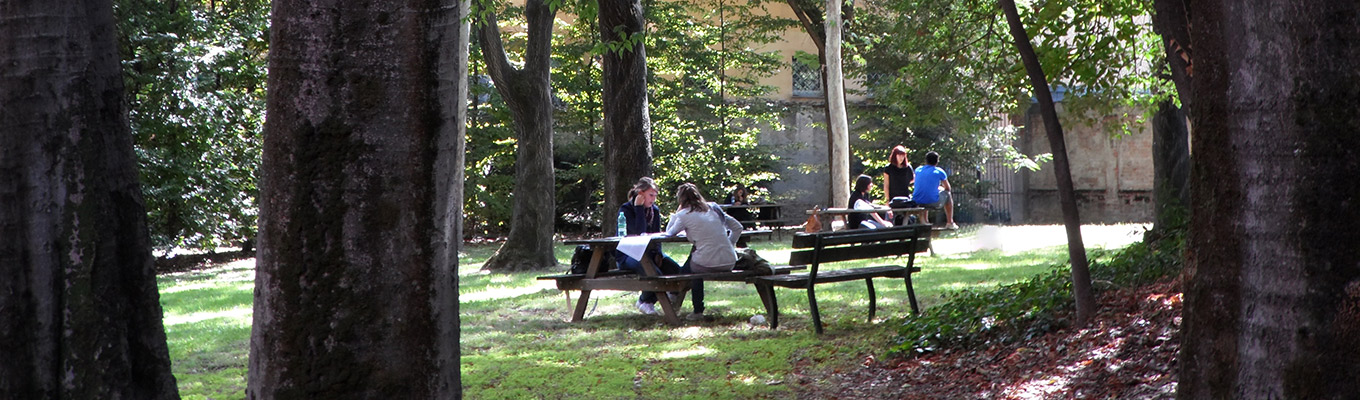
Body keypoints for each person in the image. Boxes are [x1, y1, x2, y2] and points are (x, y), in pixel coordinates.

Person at [665, 183, 743, 320]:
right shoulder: (713, 208)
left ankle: (695, 308)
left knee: (696, 268)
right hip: (730, 260)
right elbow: (738, 227)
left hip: (707, 262)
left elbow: (669, 232)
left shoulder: (684, 214)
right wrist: (730, 244)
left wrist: (676, 214)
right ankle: (674, 293)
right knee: (696, 254)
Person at [616, 177, 682, 315]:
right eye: (650, 195)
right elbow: (639, 233)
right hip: (629, 254)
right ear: (640, 193)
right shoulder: (626, 209)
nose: (653, 199)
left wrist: (658, 253)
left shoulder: (654, 211)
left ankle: (667, 300)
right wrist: (639, 208)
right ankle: (645, 301)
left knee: (677, 271)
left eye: (655, 196)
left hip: (650, 252)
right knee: (654, 274)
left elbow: (657, 236)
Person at [912, 151, 959, 229]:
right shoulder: (939, 171)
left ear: (926, 161)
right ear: (937, 161)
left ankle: (926, 221)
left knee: (924, 195)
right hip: (932, 202)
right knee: (948, 194)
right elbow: (948, 188)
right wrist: (940, 188)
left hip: (917, 201)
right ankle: (950, 222)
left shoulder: (918, 170)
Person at [881, 145, 915, 225]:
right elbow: (886, 185)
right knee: (890, 220)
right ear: (895, 156)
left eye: (903, 155)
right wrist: (887, 200)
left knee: (908, 219)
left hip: (905, 198)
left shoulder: (908, 167)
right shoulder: (888, 168)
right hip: (892, 199)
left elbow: (913, 179)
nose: (901, 158)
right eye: (899, 155)